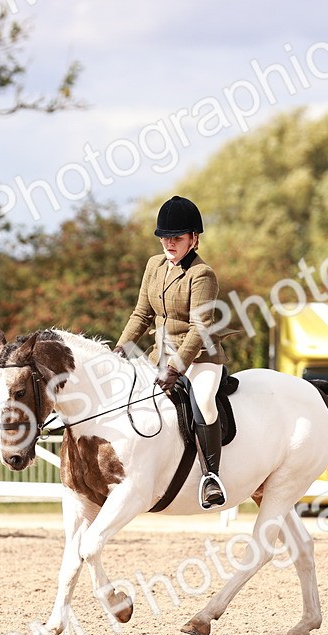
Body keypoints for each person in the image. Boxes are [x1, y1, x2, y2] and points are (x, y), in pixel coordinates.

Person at [113, 196, 231, 509]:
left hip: (200, 358)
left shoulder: (202, 275)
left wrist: (176, 369)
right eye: (165, 238)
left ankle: (211, 477)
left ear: (194, 238)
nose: (169, 244)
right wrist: (120, 350)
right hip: (158, 355)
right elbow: (141, 314)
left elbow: (200, 328)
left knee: (203, 400)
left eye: (177, 238)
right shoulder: (154, 266)